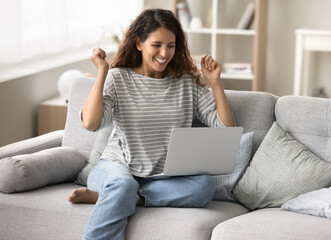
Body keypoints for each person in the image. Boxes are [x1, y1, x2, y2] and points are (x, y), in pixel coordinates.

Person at [67, 8, 234, 240]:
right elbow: (90, 123)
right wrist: (103, 71)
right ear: (139, 43)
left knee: (204, 187)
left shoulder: (186, 82)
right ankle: (120, 194)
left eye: (171, 45)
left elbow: (225, 130)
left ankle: (117, 198)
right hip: (117, 168)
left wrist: (215, 83)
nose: (165, 53)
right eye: (157, 45)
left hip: (164, 177)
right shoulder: (119, 77)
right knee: (123, 184)